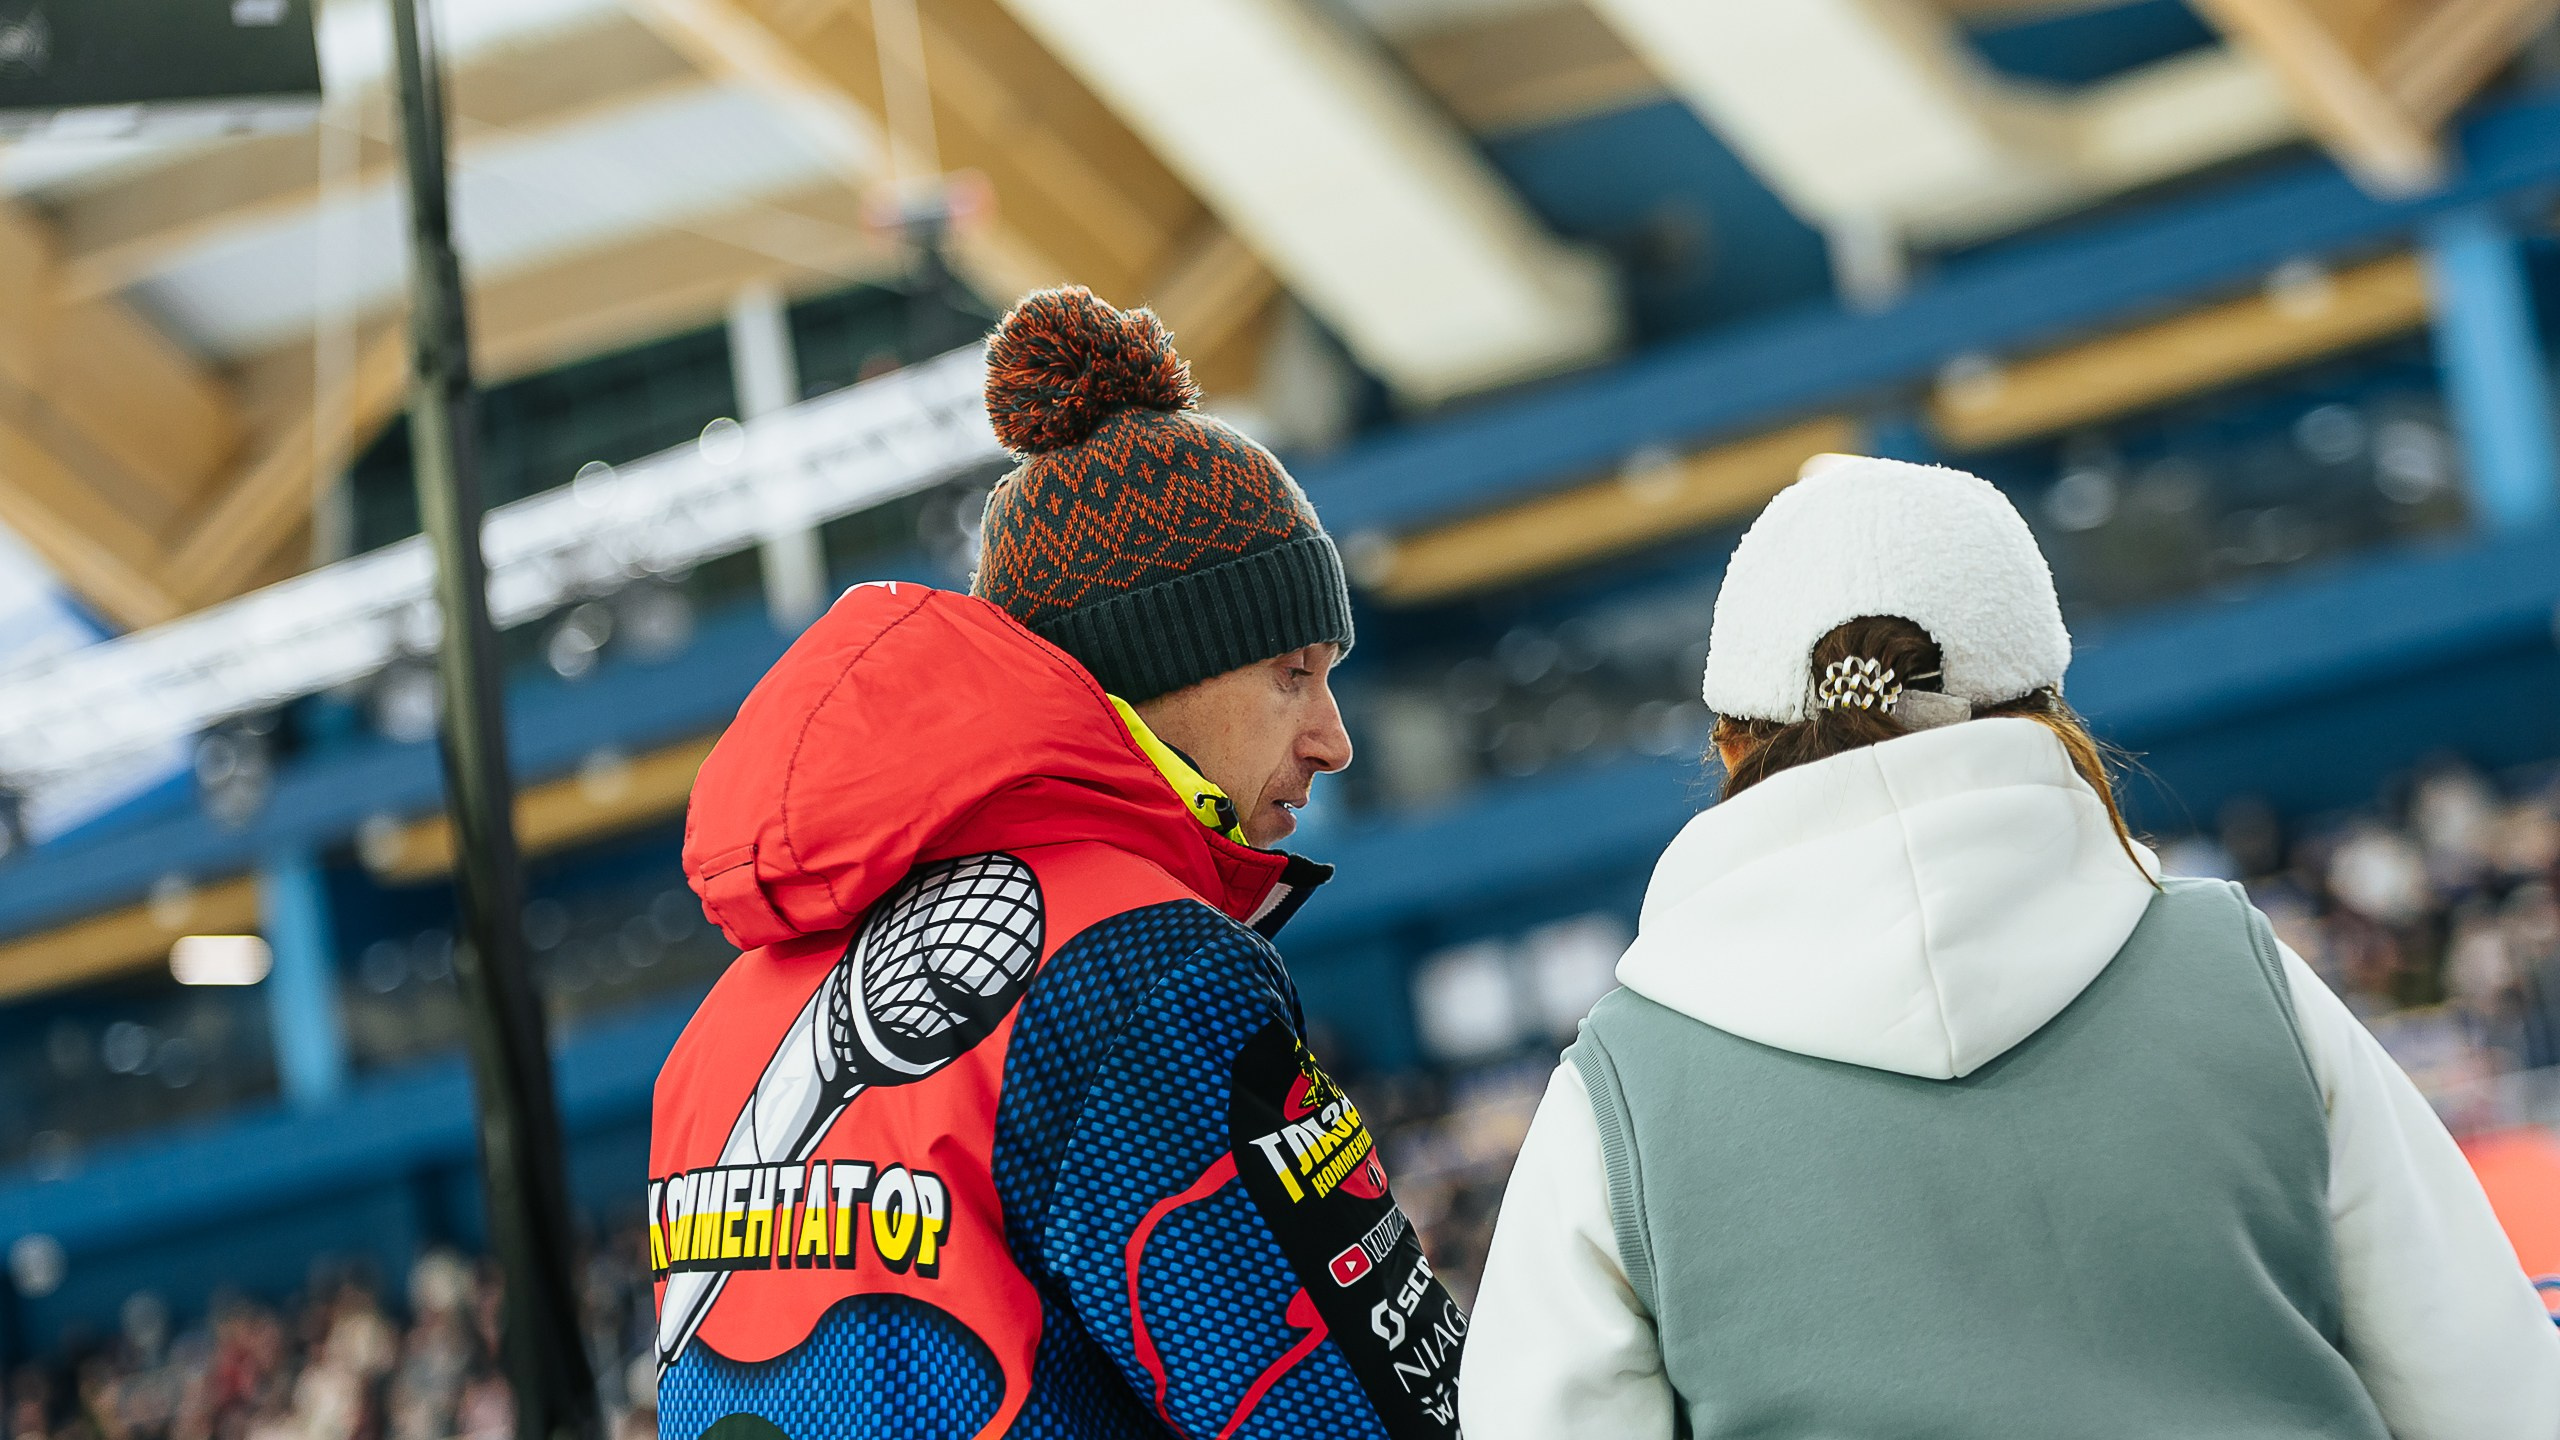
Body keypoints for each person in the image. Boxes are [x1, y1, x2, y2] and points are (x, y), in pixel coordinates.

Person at [1458, 455, 2560, 1440]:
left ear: (1730, 742)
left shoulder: (1619, 1098)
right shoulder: (2239, 970)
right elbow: (2494, 1392)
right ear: (2044, 708)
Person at [649, 287, 1464, 1440]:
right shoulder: (1141, 971)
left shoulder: (721, 1028)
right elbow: (1347, 1412)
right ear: (1163, 661)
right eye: (1292, 671)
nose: (1332, 736)